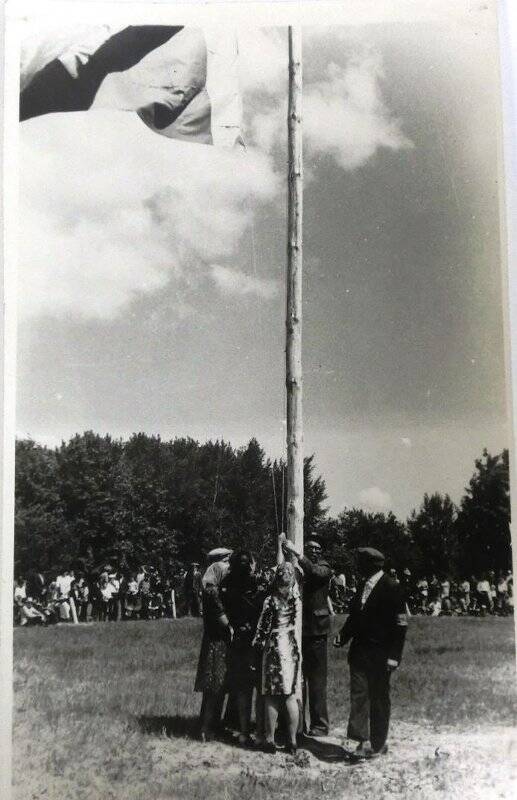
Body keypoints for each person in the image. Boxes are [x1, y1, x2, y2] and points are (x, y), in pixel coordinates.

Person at [334, 547, 408, 761]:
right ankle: (356, 744)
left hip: (382, 656)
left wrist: (394, 656)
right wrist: (343, 635)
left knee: (379, 699)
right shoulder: (362, 585)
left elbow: (400, 625)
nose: (357, 567)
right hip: (359, 653)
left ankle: (377, 743)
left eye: (360, 563)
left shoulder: (392, 587)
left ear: (370, 565)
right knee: (358, 697)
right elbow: (356, 617)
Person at [282, 536, 331, 736]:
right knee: (297, 679)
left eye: (317, 548)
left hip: (316, 632)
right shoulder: (301, 567)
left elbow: (315, 572)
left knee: (317, 680)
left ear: (321, 552)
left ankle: (320, 725)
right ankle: (297, 723)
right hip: (297, 629)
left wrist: (297, 553)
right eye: (309, 547)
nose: (313, 551)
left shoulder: (324, 567)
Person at [253, 560, 301, 755]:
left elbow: (263, 627)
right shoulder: (296, 598)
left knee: (271, 695)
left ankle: (269, 739)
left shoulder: (270, 600)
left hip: (274, 645)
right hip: (291, 644)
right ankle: (292, 740)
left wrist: (256, 644)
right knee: (289, 694)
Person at [221, 550, 265, 747]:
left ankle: (243, 730)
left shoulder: (227, 585)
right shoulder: (257, 586)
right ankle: (260, 730)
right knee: (258, 687)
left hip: (238, 638)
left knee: (242, 688)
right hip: (255, 640)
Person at [194, 559, 232, 742]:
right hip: (217, 644)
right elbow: (223, 620)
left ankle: (210, 726)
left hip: (214, 642)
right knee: (214, 689)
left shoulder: (210, 590)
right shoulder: (213, 593)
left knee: (216, 688)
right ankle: (207, 728)